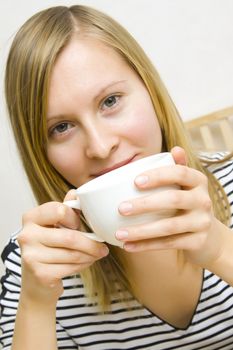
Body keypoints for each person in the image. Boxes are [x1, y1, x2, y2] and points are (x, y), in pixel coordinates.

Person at [0, 4, 233, 350]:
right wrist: (36, 302)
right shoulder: (32, 262)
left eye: (110, 101)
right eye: (61, 127)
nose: (100, 146)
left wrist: (219, 248)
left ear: (151, 91)